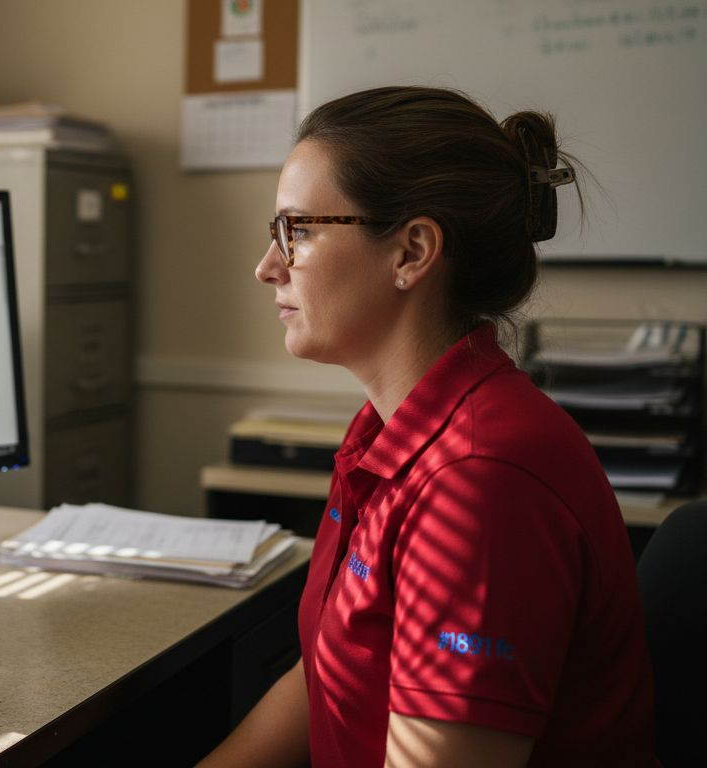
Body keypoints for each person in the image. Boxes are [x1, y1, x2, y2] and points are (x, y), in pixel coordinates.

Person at [198, 86, 655, 767]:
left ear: (411, 252)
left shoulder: (480, 481)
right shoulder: (388, 433)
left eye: (298, 231)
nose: (268, 266)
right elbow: (328, 669)